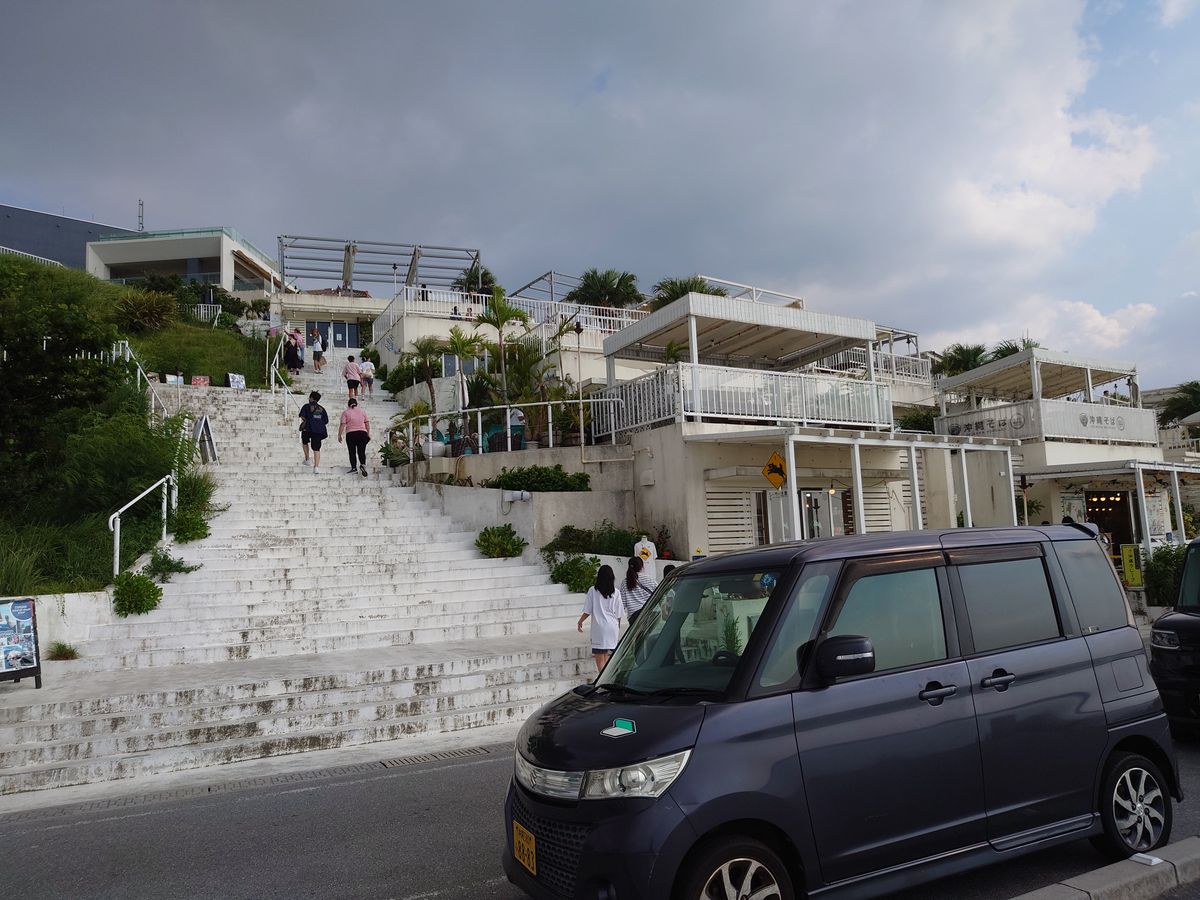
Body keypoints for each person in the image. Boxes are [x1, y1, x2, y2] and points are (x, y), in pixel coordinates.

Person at [578, 565, 622, 673]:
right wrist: (618, 627)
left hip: (599, 629)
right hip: (613, 627)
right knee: (605, 656)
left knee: (599, 660)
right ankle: (606, 678)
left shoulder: (593, 591)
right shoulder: (616, 592)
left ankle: (603, 680)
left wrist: (580, 621)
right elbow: (619, 614)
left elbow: (587, 610)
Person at [298, 391, 330, 474]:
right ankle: (316, 467)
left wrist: (308, 420)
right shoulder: (322, 409)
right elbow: (326, 421)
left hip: (308, 428)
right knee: (316, 448)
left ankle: (307, 459)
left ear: (311, 398)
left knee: (305, 441)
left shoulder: (306, 406)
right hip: (319, 430)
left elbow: (302, 416)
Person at [338, 397, 371, 477]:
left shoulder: (346, 412)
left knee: (352, 451)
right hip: (362, 433)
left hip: (351, 434)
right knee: (361, 451)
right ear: (356, 404)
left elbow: (342, 424)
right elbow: (367, 423)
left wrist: (339, 435)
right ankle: (363, 464)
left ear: (348, 405)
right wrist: (368, 434)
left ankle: (354, 468)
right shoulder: (362, 411)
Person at [620, 557, 657, 626]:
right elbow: (659, 596)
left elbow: (623, 604)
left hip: (634, 617)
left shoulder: (625, 582)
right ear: (642, 567)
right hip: (650, 613)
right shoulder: (651, 580)